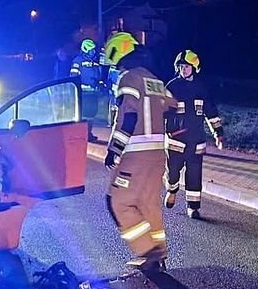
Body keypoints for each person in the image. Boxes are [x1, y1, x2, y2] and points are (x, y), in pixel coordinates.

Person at [102, 32, 175, 271]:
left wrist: (115, 148)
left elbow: (128, 117)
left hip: (136, 154)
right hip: (157, 154)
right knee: (148, 203)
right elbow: (173, 107)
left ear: (117, 52)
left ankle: (145, 249)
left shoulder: (128, 79)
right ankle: (158, 254)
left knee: (117, 201)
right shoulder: (153, 79)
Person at [163, 49, 223, 219]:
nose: (184, 70)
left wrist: (218, 132)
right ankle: (172, 190)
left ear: (194, 68)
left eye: (187, 67)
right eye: (181, 67)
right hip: (176, 139)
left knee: (194, 174)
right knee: (173, 171)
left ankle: (193, 207)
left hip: (196, 140)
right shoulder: (172, 86)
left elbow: (210, 111)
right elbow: (162, 111)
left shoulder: (202, 88)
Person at [70, 38, 106, 125]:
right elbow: (73, 77)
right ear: (85, 50)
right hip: (83, 93)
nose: (93, 52)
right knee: (84, 114)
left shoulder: (95, 62)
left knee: (92, 112)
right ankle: (84, 132)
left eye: (94, 50)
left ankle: (89, 132)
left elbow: (99, 75)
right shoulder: (78, 61)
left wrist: (100, 84)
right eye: (91, 50)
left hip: (93, 92)